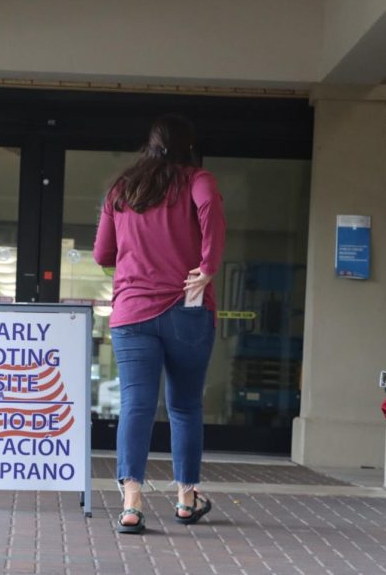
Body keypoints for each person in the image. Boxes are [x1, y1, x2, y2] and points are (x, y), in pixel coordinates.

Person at [93, 115, 226, 534]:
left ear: (150, 146)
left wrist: (139, 256)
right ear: (189, 146)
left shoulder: (122, 188)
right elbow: (210, 210)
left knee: (136, 404)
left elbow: (101, 254)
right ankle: (187, 499)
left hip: (132, 312)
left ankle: (131, 502)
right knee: (184, 406)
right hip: (187, 306)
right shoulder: (197, 179)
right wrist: (207, 267)